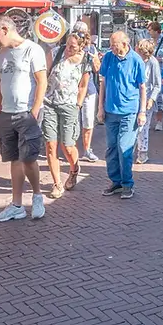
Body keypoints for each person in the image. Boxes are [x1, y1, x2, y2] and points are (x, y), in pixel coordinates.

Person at [0, 14, 48, 222]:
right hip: (6, 113)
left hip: (25, 113)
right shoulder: (1, 54)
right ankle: (16, 204)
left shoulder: (33, 49)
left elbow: (42, 81)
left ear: (5, 30)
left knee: (29, 158)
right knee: (13, 158)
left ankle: (38, 195)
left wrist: (34, 110)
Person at [98, 32, 147, 199]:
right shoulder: (108, 58)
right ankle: (116, 181)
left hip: (129, 112)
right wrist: (100, 108)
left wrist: (142, 112)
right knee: (111, 148)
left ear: (124, 44)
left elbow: (142, 87)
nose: (111, 48)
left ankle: (127, 183)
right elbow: (103, 83)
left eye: (114, 45)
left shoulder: (136, 60)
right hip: (110, 111)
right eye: (111, 45)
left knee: (124, 147)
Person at [42, 32, 92, 198]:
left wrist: (78, 104)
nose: (69, 49)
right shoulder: (55, 53)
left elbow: (84, 86)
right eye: (68, 45)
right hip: (49, 103)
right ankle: (57, 183)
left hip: (69, 105)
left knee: (67, 145)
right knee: (50, 145)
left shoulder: (86, 60)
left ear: (81, 47)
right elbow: (44, 76)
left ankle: (74, 169)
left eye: (73, 47)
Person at [72, 22, 102, 163]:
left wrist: (93, 56)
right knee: (72, 121)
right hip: (71, 90)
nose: (81, 35)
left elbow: (97, 69)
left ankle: (87, 149)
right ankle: (71, 149)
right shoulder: (69, 47)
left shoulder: (91, 48)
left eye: (83, 33)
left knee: (88, 122)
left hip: (88, 90)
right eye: (78, 32)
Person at [134, 38, 162, 164]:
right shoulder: (134, 60)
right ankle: (130, 150)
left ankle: (142, 152)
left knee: (143, 127)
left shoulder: (153, 62)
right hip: (134, 98)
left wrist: (151, 99)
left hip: (147, 99)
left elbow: (157, 84)